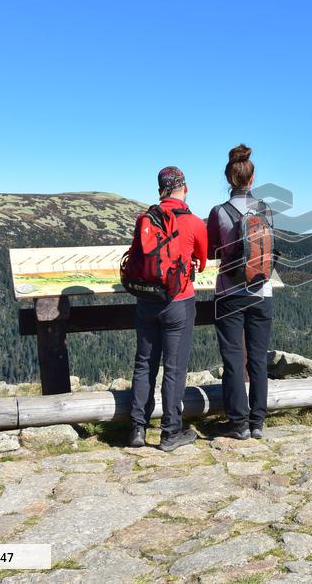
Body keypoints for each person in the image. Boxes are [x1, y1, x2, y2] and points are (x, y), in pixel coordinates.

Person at [128, 166, 208, 451]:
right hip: (179, 301)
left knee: (144, 363)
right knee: (174, 368)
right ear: (184, 188)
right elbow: (202, 256)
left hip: (146, 300)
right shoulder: (195, 223)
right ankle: (170, 433)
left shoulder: (146, 218)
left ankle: (137, 429)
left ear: (160, 190)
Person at [208, 144, 274, 440]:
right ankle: (258, 421)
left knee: (234, 358)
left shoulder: (219, 212)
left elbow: (212, 252)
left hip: (229, 292)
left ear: (228, 177)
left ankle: (239, 423)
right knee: (259, 357)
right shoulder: (265, 209)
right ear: (252, 177)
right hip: (262, 290)